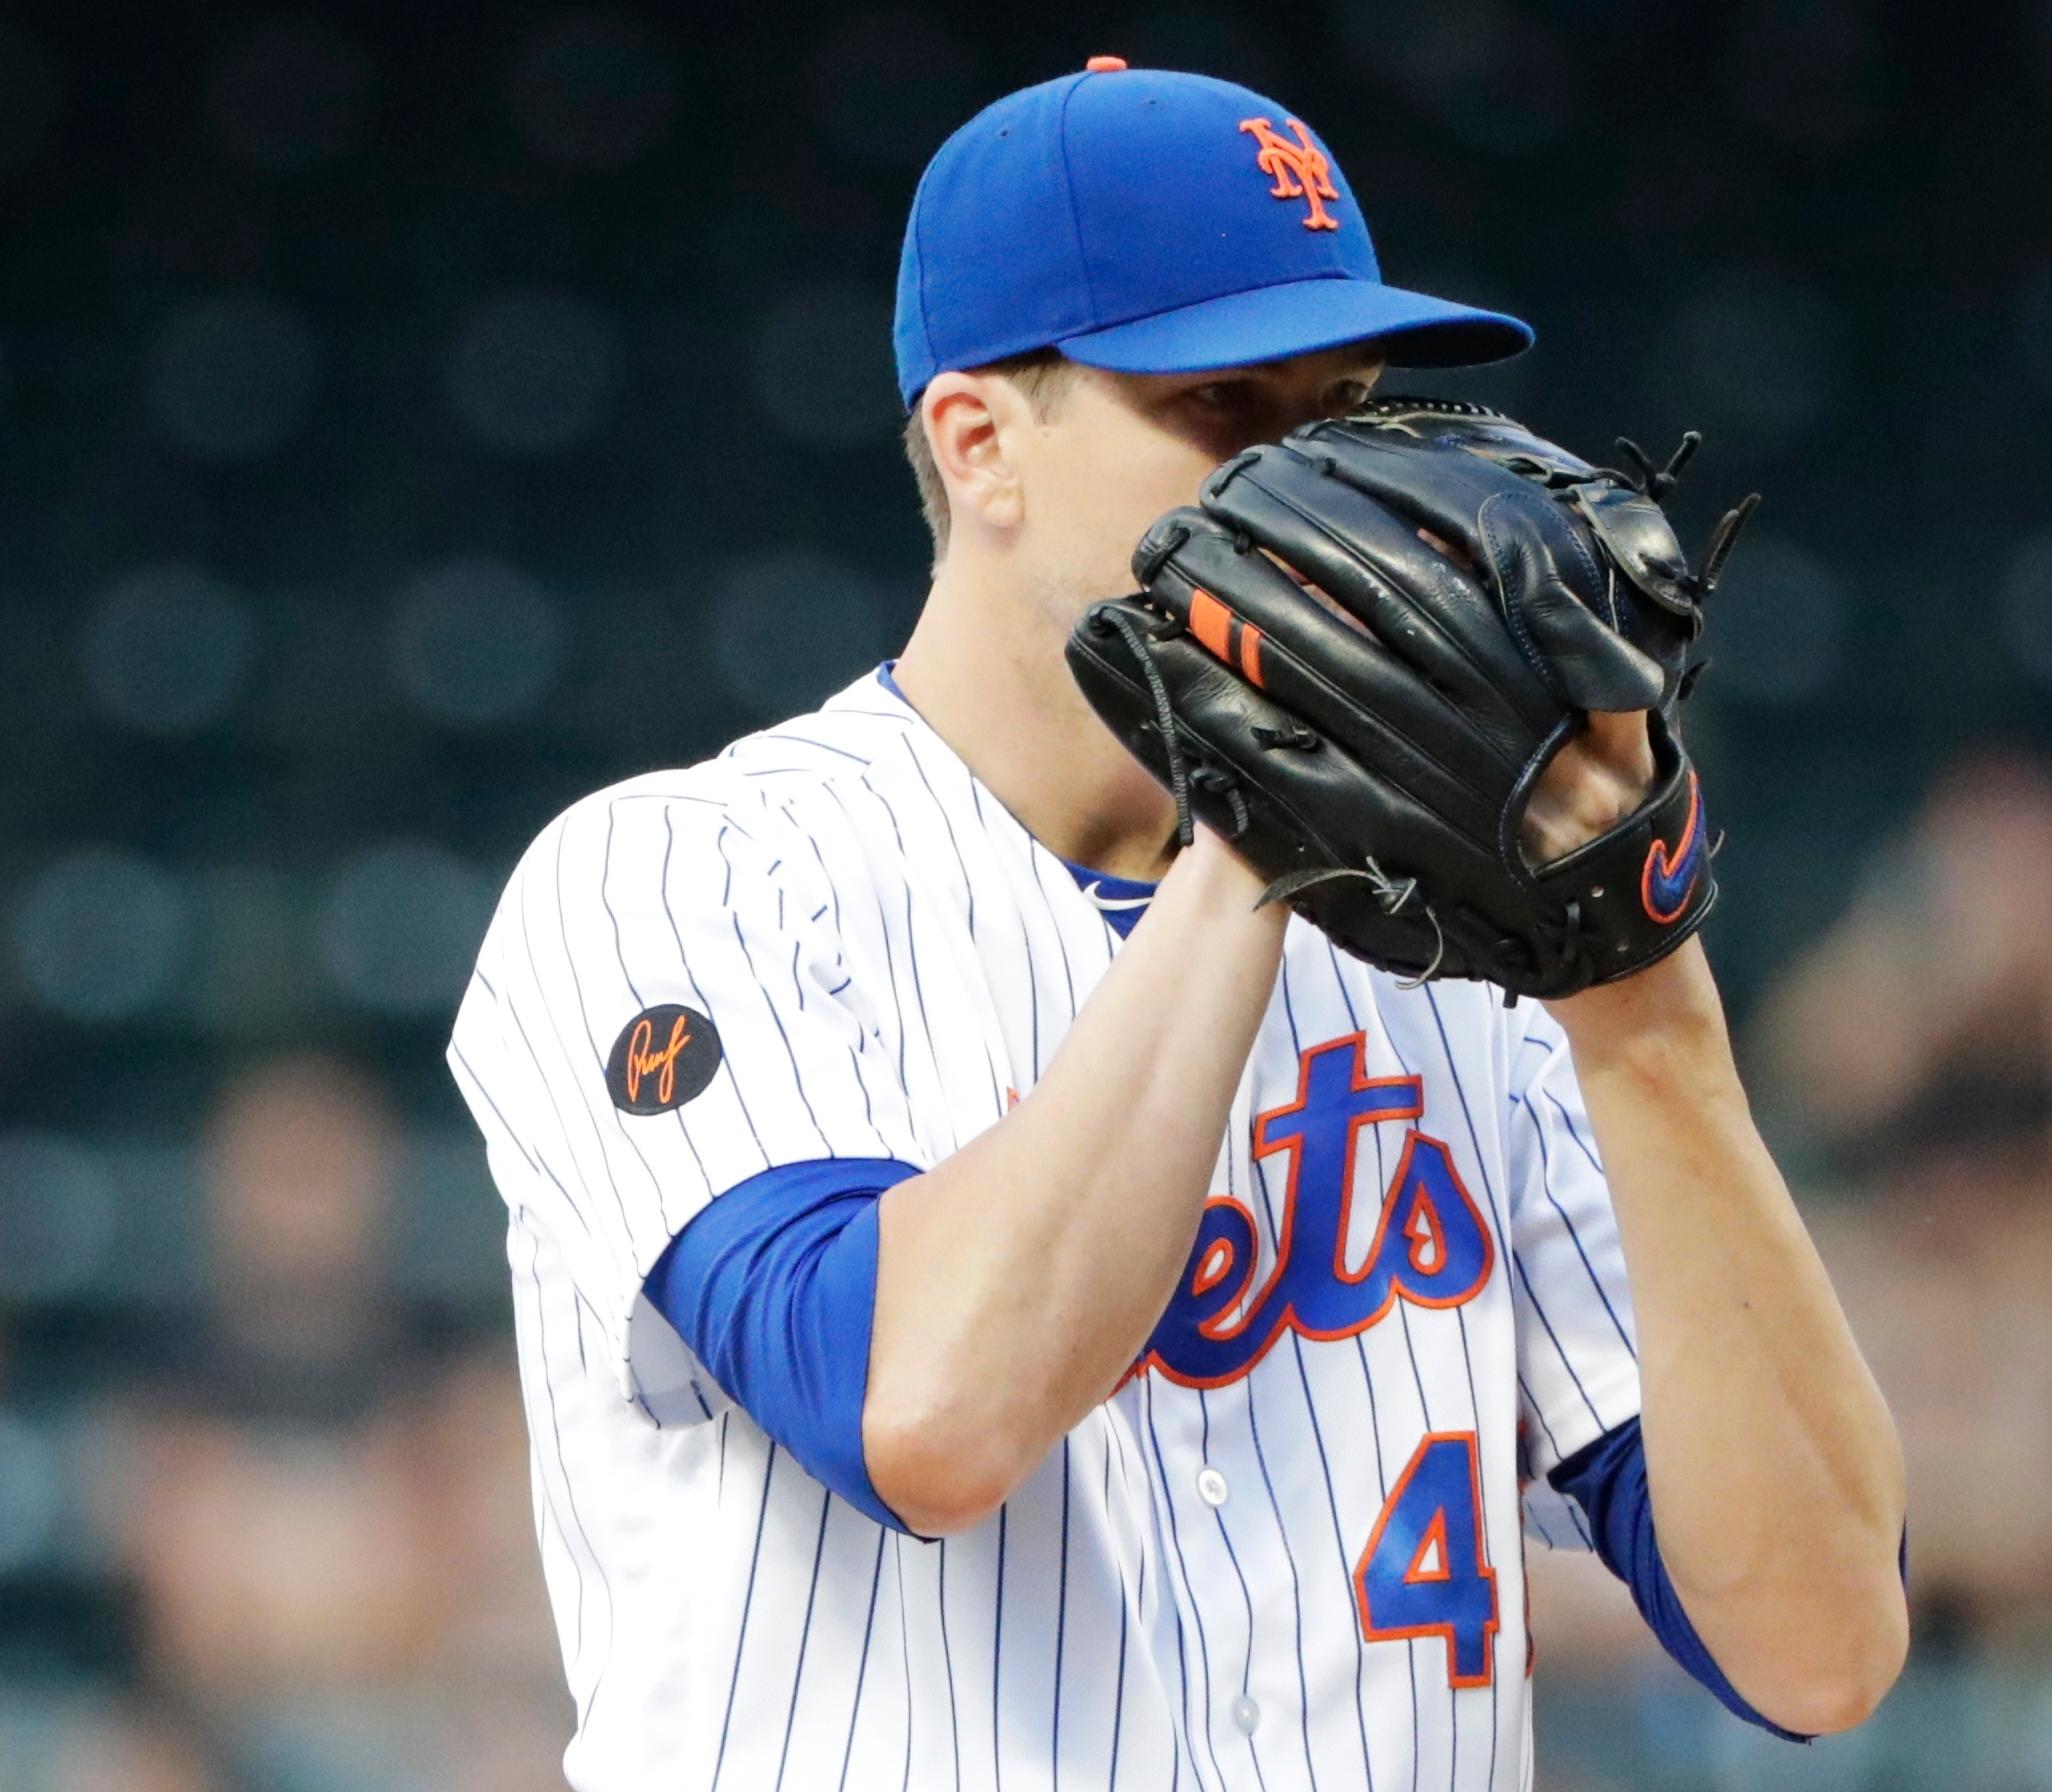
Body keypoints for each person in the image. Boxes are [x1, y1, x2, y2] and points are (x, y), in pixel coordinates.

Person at [448, 58, 1906, 1790]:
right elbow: (930, 1410)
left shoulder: (1475, 952)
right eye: (1228, 417)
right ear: (978, 443)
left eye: (1347, 412)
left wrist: (1639, 996)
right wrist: (1261, 830)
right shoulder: (680, 880)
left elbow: (1818, 1644)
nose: (1325, 496)